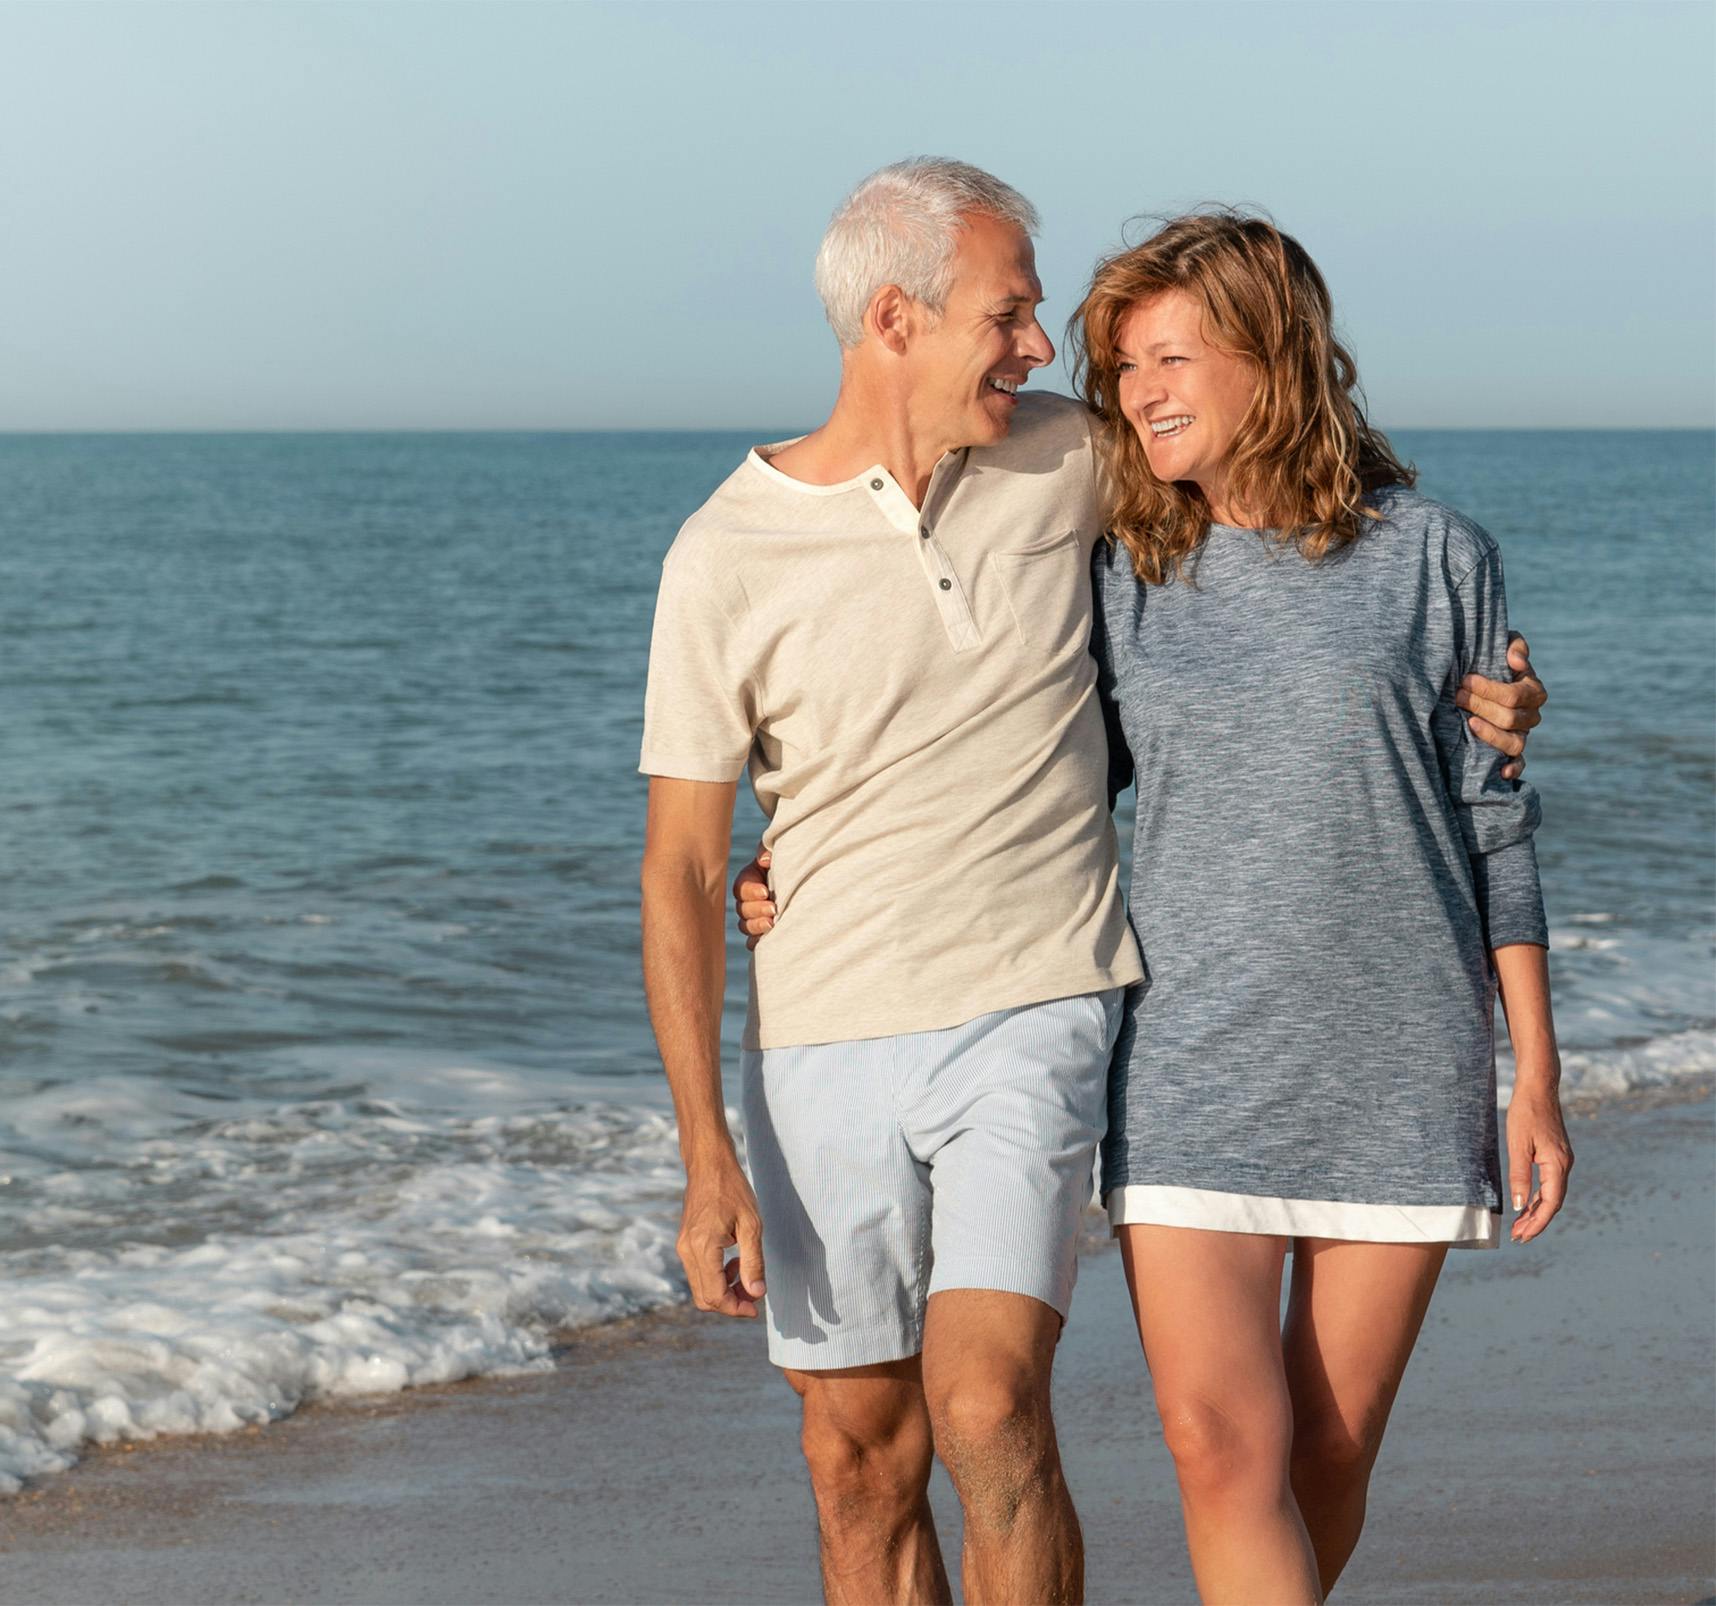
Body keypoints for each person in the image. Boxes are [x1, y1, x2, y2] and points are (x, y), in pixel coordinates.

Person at [654, 160, 1543, 1606]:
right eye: (1017, 318)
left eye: (1120, 350)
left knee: (1062, 1414)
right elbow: (715, 843)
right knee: (878, 1454)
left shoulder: (1091, 464)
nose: (1054, 358)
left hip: (1071, 1008)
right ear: (896, 317)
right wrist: (774, 892)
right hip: (901, 1026)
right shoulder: (754, 547)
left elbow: (1383, 684)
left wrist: (1489, 713)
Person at [1070, 211, 1573, 1604]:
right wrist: (789, 871)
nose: (1138, 388)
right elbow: (1030, 787)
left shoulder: (1436, 559)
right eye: (1121, 365)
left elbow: (1494, 815)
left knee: (1328, 1461)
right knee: (1218, 1445)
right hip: (1186, 1061)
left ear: (1270, 352)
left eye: (1170, 353)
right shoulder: (1124, 571)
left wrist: (1533, 1074)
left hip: (1395, 1060)